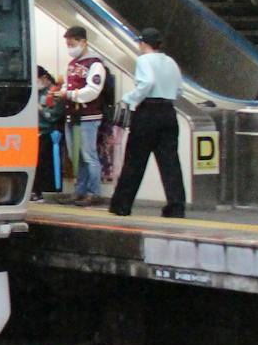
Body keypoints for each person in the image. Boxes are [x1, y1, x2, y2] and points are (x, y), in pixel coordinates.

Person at [109, 27, 187, 218]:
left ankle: (122, 205)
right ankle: (176, 206)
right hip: (168, 112)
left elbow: (147, 82)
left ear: (143, 43)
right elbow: (179, 90)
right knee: (170, 162)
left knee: (135, 161)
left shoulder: (144, 60)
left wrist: (130, 98)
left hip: (147, 112)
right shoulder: (171, 62)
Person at [61, 25, 112, 207]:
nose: (69, 47)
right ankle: (79, 190)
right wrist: (64, 92)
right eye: (67, 44)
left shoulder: (95, 64)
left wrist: (71, 95)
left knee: (89, 155)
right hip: (72, 114)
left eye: (72, 43)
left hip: (89, 116)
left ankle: (94, 192)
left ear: (83, 42)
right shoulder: (72, 64)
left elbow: (93, 90)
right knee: (78, 156)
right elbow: (66, 85)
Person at [33, 65, 64, 201]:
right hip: (34, 133)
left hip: (48, 134)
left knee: (43, 165)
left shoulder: (54, 92)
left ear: (44, 78)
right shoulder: (36, 92)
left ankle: (43, 192)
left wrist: (40, 109)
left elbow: (54, 115)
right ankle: (35, 191)